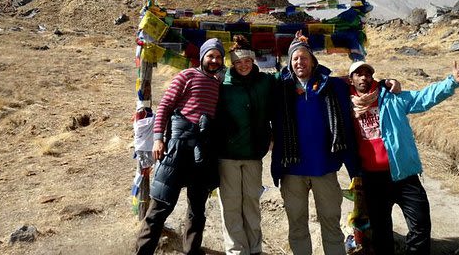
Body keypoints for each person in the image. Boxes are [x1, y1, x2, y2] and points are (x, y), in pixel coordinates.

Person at [348, 60, 459, 255]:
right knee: (380, 231)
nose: (363, 77)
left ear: (372, 77)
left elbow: (422, 98)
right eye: (358, 74)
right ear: (351, 79)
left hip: (403, 174)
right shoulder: (346, 105)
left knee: (420, 224)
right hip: (372, 178)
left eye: (367, 73)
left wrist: (452, 82)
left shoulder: (391, 98)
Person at [270, 32, 361, 255]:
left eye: (304, 57)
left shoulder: (332, 87)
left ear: (313, 60)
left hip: (325, 168)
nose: (299, 62)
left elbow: (362, 85)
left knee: (331, 223)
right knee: (297, 225)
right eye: (295, 59)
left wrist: (389, 83)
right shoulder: (279, 89)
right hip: (292, 170)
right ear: (290, 63)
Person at [135, 38, 225, 255]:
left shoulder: (217, 84)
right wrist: (158, 138)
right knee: (161, 205)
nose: (214, 60)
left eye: (218, 57)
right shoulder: (187, 76)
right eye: (210, 55)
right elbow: (165, 105)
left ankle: (192, 251)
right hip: (177, 147)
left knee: (197, 209)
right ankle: (143, 251)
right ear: (202, 56)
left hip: (201, 151)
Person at [215, 35, 275, 255]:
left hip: (253, 154)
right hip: (227, 154)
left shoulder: (265, 82)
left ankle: (255, 248)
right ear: (232, 63)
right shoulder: (223, 83)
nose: (243, 65)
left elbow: (290, 78)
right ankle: (236, 250)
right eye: (238, 62)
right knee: (231, 205)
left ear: (253, 61)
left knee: (251, 203)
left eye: (247, 61)